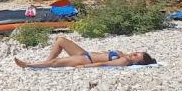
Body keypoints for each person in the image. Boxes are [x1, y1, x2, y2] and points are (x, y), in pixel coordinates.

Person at [15, 37, 156, 69]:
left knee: (57, 62)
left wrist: (85, 67)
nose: (135, 53)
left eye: (138, 55)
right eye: (137, 52)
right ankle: (46, 63)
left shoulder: (124, 61)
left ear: (138, 62)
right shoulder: (124, 55)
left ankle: (28, 65)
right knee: (61, 40)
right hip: (84, 53)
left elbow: (105, 63)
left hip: (86, 60)